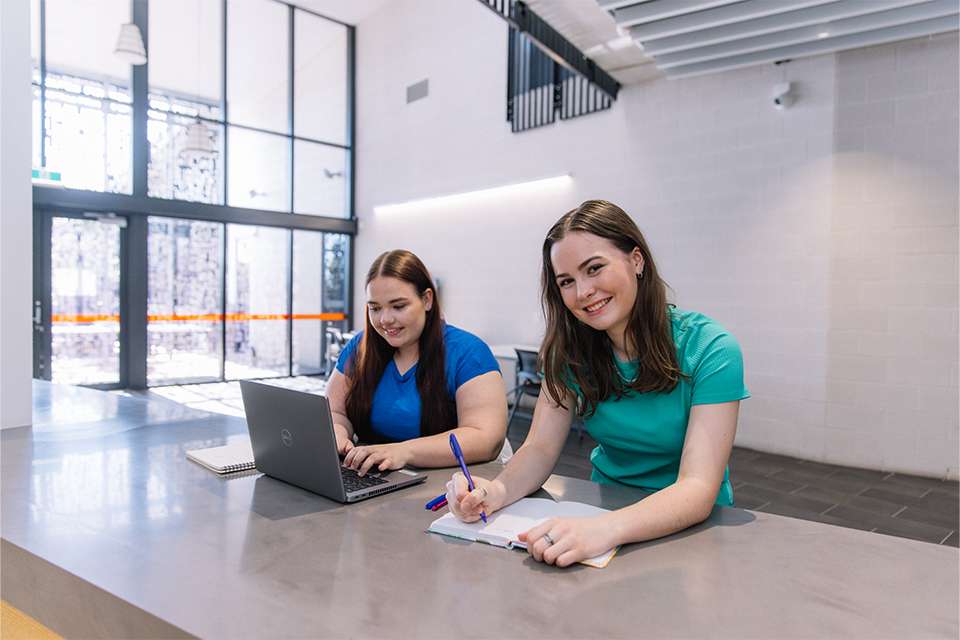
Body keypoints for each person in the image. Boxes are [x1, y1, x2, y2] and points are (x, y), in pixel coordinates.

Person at [447, 200, 749, 567]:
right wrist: (493, 491)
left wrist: (603, 530)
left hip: (686, 528)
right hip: (603, 510)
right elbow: (540, 448)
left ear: (636, 260)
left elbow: (697, 488)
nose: (583, 291)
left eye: (594, 268)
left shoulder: (711, 348)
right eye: (567, 282)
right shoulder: (570, 352)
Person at [327, 249, 507, 476]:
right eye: (375, 308)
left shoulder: (468, 352)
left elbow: (485, 438)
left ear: (427, 300)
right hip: (376, 476)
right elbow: (334, 411)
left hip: (449, 484)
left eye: (399, 306)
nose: (385, 320)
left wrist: (404, 452)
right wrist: (337, 433)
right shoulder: (360, 348)